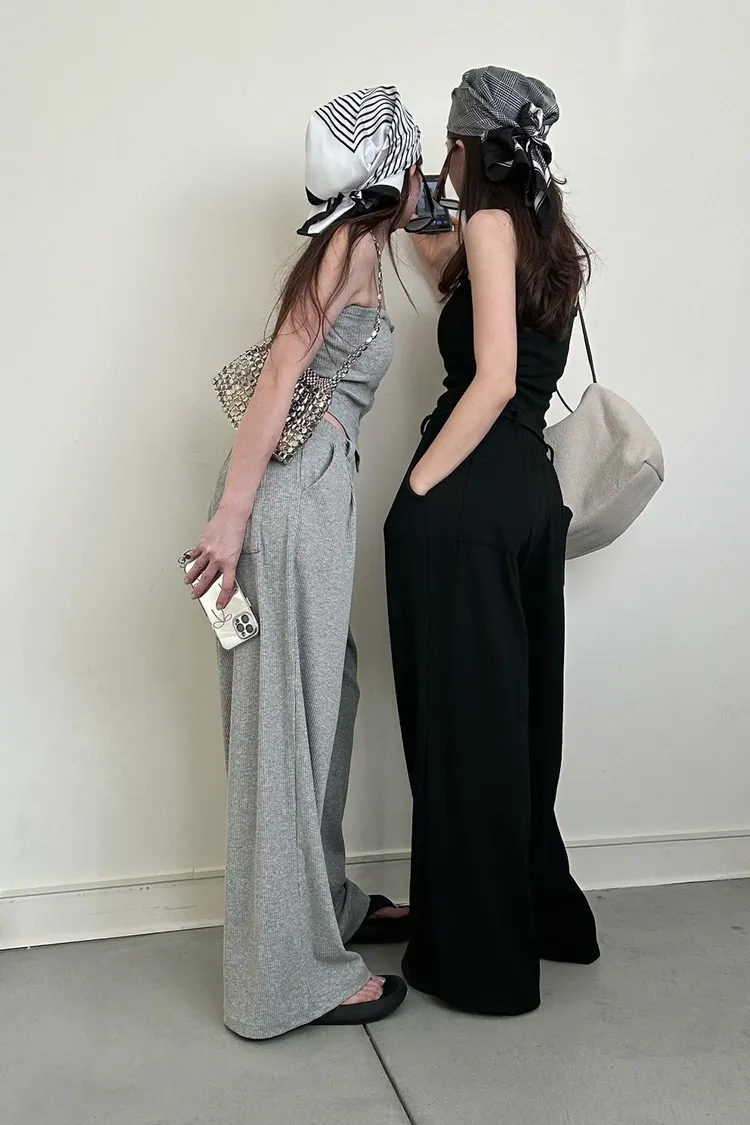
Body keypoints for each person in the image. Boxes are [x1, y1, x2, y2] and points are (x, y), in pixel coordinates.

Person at [186, 86, 421, 1039]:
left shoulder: (360, 242)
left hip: (311, 499)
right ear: (393, 169)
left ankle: (326, 902)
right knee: (285, 726)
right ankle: (284, 979)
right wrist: (230, 521)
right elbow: (282, 373)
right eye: (417, 162)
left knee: (330, 700)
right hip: (286, 505)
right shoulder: (348, 249)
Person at [384, 67, 600, 1016]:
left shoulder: (488, 225)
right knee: (516, 724)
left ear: (468, 147)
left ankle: (477, 956)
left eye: (449, 143)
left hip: (470, 498)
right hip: (531, 500)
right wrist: (423, 218)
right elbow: (487, 310)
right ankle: (539, 912)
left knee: (461, 728)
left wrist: (419, 486)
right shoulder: (549, 232)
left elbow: (495, 376)